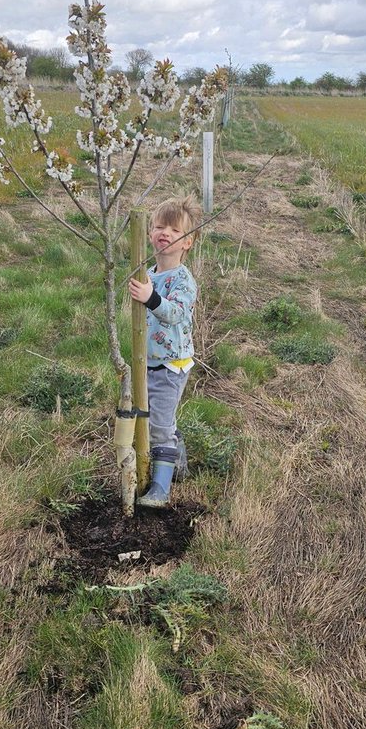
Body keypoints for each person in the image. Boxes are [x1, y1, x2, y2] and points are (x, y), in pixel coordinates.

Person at [128, 195, 199, 508]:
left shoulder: (182, 279)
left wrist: (150, 297)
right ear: (149, 234)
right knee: (145, 419)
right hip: (146, 363)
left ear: (188, 242)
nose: (164, 233)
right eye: (158, 227)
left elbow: (174, 313)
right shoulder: (148, 274)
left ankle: (160, 489)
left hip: (171, 365)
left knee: (157, 426)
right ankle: (176, 455)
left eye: (174, 230)